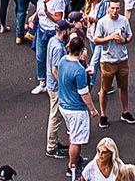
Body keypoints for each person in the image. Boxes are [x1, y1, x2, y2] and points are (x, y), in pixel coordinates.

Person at [56, 32, 101, 179]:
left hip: (64, 105)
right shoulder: (79, 71)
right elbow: (84, 94)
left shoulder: (63, 61)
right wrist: (92, 109)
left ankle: (75, 159)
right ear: (81, 50)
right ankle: (72, 166)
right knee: (77, 140)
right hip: (76, 109)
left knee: (72, 134)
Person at [92, 0, 135, 124]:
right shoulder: (102, 22)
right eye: (112, 8)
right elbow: (96, 40)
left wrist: (124, 40)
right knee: (104, 89)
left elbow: (130, 36)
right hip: (108, 60)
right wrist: (109, 38)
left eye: (117, 8)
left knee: (124, 87)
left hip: (122, 59)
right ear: (108, 8)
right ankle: (103, 115)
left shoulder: (124, 21)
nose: (115, 11)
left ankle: (125, 111)